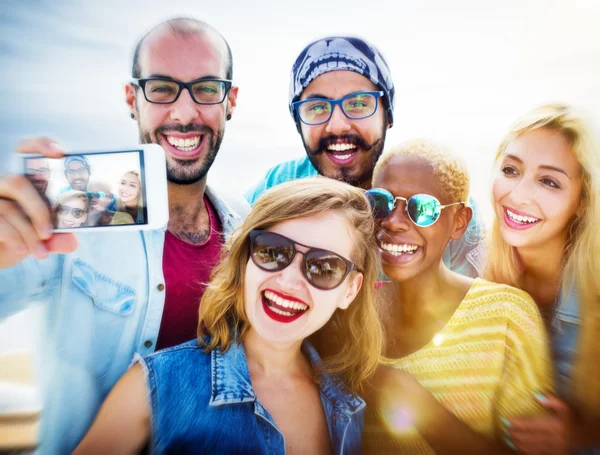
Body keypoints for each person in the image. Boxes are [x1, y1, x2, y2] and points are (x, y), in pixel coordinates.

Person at [0, 17, 248, 454]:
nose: (185, 113)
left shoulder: (244, 224)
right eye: (162, 87)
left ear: (230, 101)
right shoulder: (67, 221)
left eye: (207, 88)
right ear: (132, 99)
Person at [74, 178, 383, 455]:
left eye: (324, 267)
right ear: (246, 258)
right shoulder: (154, 384)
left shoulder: (350, 398)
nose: (288, 282)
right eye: (272, 251)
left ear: (350, 290)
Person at [361, 139, 554, 454]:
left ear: (459, 222)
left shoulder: (506, 317)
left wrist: (411, 399)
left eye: (422, 209)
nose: (394, 222)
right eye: (381, 203)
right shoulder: (351, 313)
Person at [245, 36, 483, 278]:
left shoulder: (438, 207)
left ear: (387, 116)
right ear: (298, 123)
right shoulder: (275, 189)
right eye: (317, 107)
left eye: (358, 103)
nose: (337, 126)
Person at [484, 104, 600, 454]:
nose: (517, 195)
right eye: (510, 170)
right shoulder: (478, 271)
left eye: (549, 181)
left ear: (582, 199)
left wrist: (586, 435)